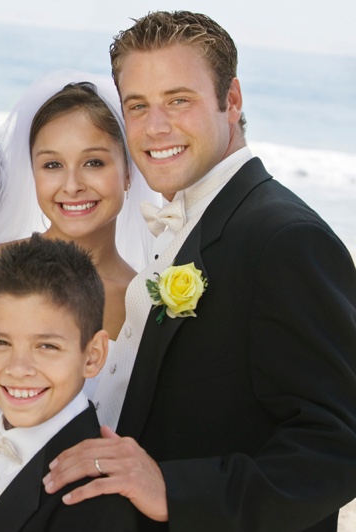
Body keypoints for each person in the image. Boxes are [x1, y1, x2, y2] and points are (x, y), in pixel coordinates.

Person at [42, 11, 356, 531]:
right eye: (138, 106)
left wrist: (173, 490)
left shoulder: (284, 238)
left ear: (230, 101)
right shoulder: (196, 221)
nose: (156, 126)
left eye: (178, 100)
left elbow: (341, 444)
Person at [0, 70, 156, 431]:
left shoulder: (143, 304)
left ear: (129, 171)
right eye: (52, 165)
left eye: (94, 162)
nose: (72, 185)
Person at [0, 235, 139, 531]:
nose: (19, 368)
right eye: (0, 342)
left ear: (93, 355)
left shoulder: (98, 500)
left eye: (47, 347)